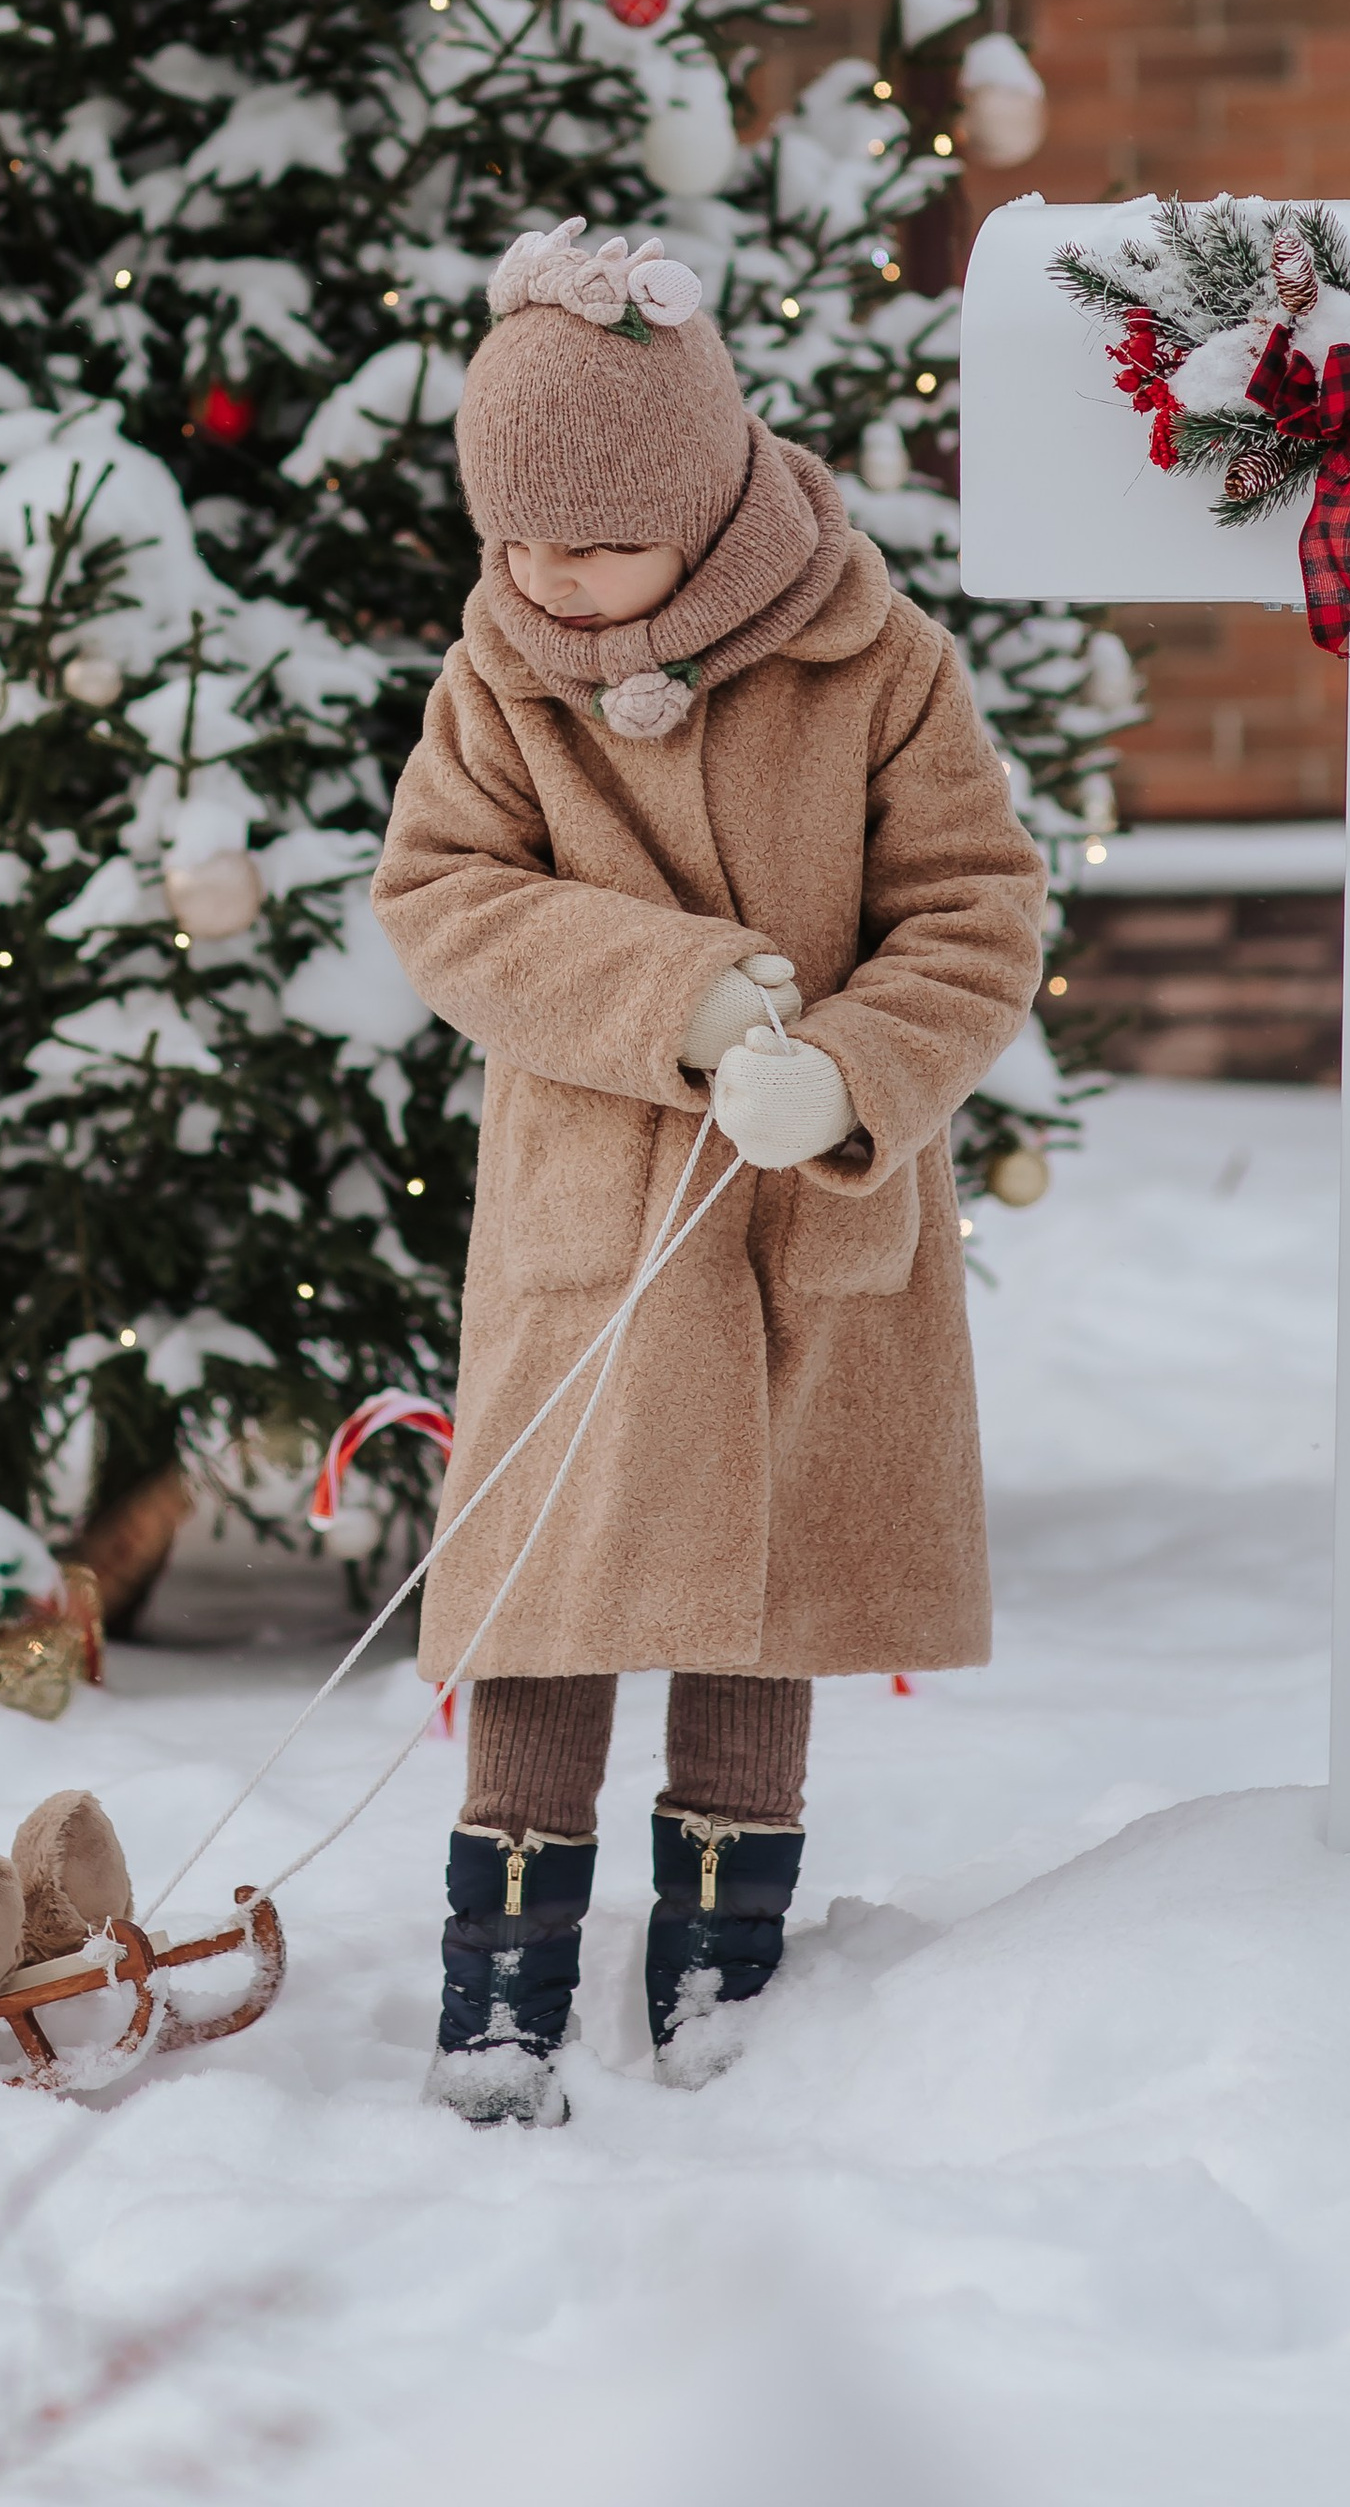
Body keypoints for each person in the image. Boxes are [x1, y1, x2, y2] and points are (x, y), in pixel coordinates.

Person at [370, 220, 1047, 2124]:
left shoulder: (875, 662)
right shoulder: (501, 673)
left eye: (589, 542)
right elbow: (444, 898)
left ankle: (722, 1970)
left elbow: (978, 912)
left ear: (700, 500)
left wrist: (844, 1069)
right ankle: (498, 1984)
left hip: (804, 1209)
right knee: (554, 1577)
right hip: (595, 1206)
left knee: (769, 1586)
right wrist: (674, 995)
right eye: (515, 541)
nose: (547, 580)